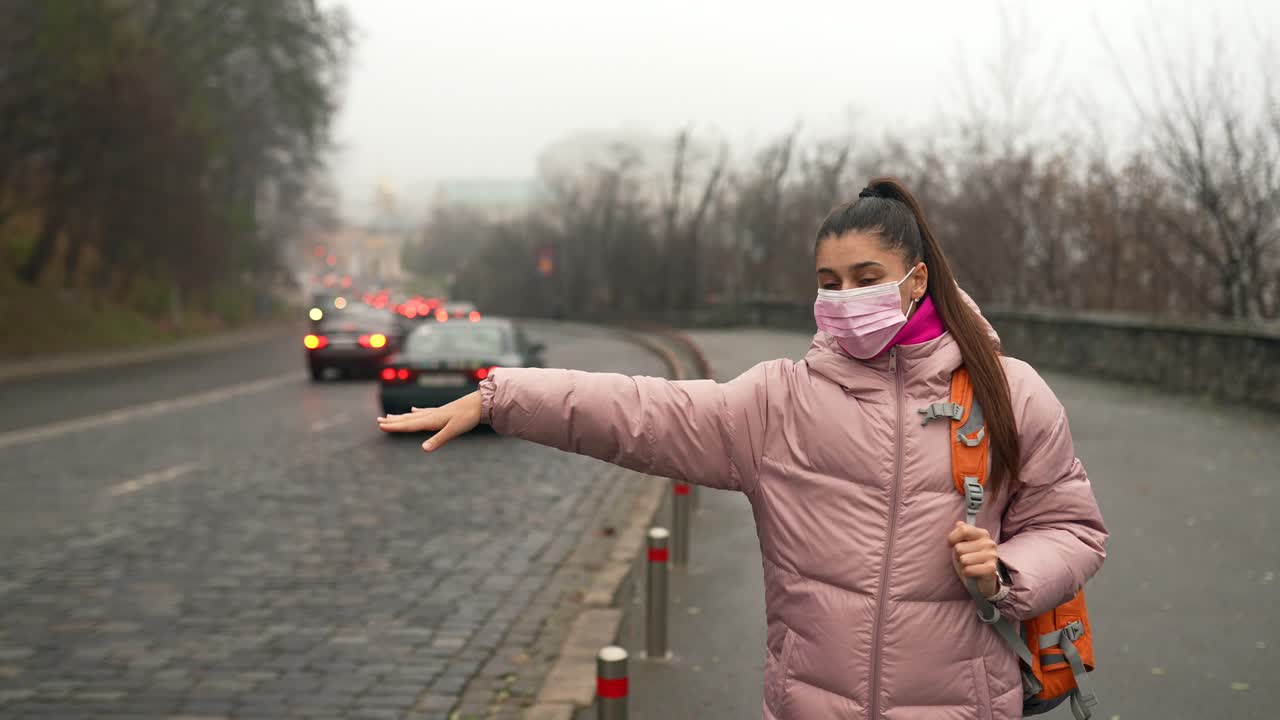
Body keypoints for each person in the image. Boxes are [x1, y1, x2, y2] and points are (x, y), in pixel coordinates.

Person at [377, 177, 1107, 720]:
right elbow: (639, 413)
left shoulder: (1008, 392)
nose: (844, 298)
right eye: (828, 283)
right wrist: (502, 398)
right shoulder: (779, 402)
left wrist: (1009, 570)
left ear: (915, 282)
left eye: (865, 279)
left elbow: (1073, 528)